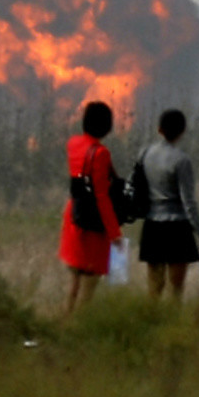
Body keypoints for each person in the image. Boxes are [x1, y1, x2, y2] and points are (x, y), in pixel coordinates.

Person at [136, 108, 199, 298]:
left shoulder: (145, 154)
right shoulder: (182, 160)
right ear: (182, 131)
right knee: (176, 289)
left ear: (159, 129)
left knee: (154, 287)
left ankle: (151, 322)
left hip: (152, 225)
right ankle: (173, 323)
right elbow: (189, 203)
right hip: (177, 228)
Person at [60, 100, 120, 315]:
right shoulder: (101, 154)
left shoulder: (73, 143)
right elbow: (102, 196)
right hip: (93, 219)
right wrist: (115, 233)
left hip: (74, 213)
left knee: (75, 276)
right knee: (90, 278)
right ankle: (80, 323)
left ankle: (67, 319)